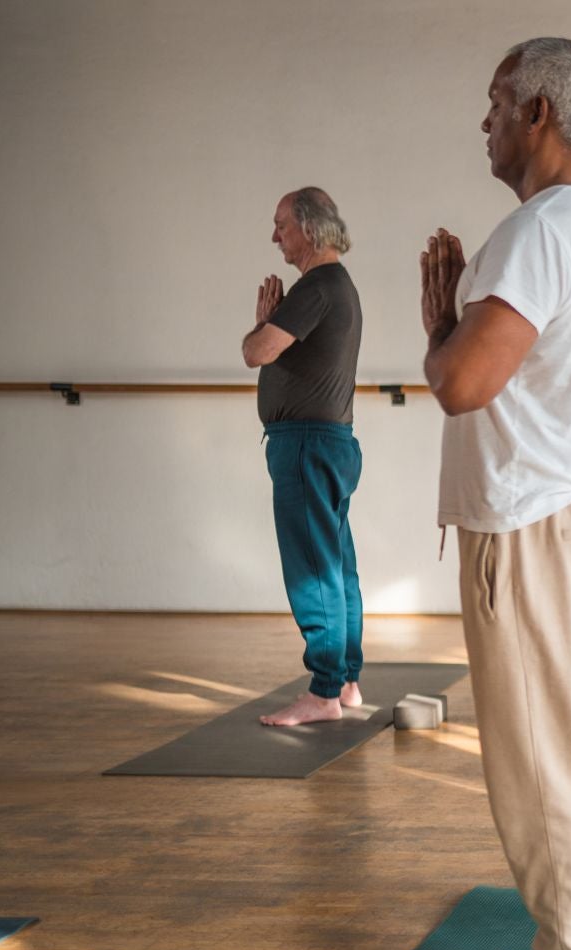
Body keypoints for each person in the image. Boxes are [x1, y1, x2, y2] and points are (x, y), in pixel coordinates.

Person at [419, 37, 571, 950]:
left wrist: (437, 318)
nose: (487, 121)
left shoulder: (539, 230)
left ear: (539, 110)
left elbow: (463, 381)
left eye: (498, 102)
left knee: (541, 760)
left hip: (531, 524)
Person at [241, 188, 365, 727]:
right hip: (326, 443)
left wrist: (262, 322)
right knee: (336, 566)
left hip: (307, 445)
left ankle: (322, 692)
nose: (275, 237)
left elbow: (255, 352)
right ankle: (346, 681)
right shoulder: (333, 286)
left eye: (281, 225)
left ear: (311, 230)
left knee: (312, 571)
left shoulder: (317, 286)